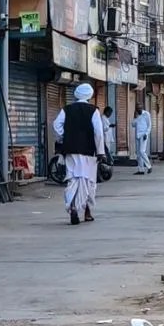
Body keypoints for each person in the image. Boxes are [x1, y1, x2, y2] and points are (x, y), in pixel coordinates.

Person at [53, 81, 111, 224]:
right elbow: (98, 132)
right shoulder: (94, 111)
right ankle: (87, 212)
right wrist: (100, 152)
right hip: (88, 152)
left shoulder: (66, 109)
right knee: (88, 181)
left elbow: (56, 125)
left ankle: (73, 207)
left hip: (71, 151)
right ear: (89, 96)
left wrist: (63, 137)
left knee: (73, 180)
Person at [132, 105, 155, 175]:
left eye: (140, 108)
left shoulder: (146, 114)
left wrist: (146, 133)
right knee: (138, 154)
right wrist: (135, 117)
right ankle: (141, 170)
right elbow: (133, 125)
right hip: (137, 135)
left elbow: (149, 125)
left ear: (142, 108)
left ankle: (149, 166)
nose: (139, 110)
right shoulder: (136, 115)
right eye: (137, 109)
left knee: (142, 151)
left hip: (144, 135)